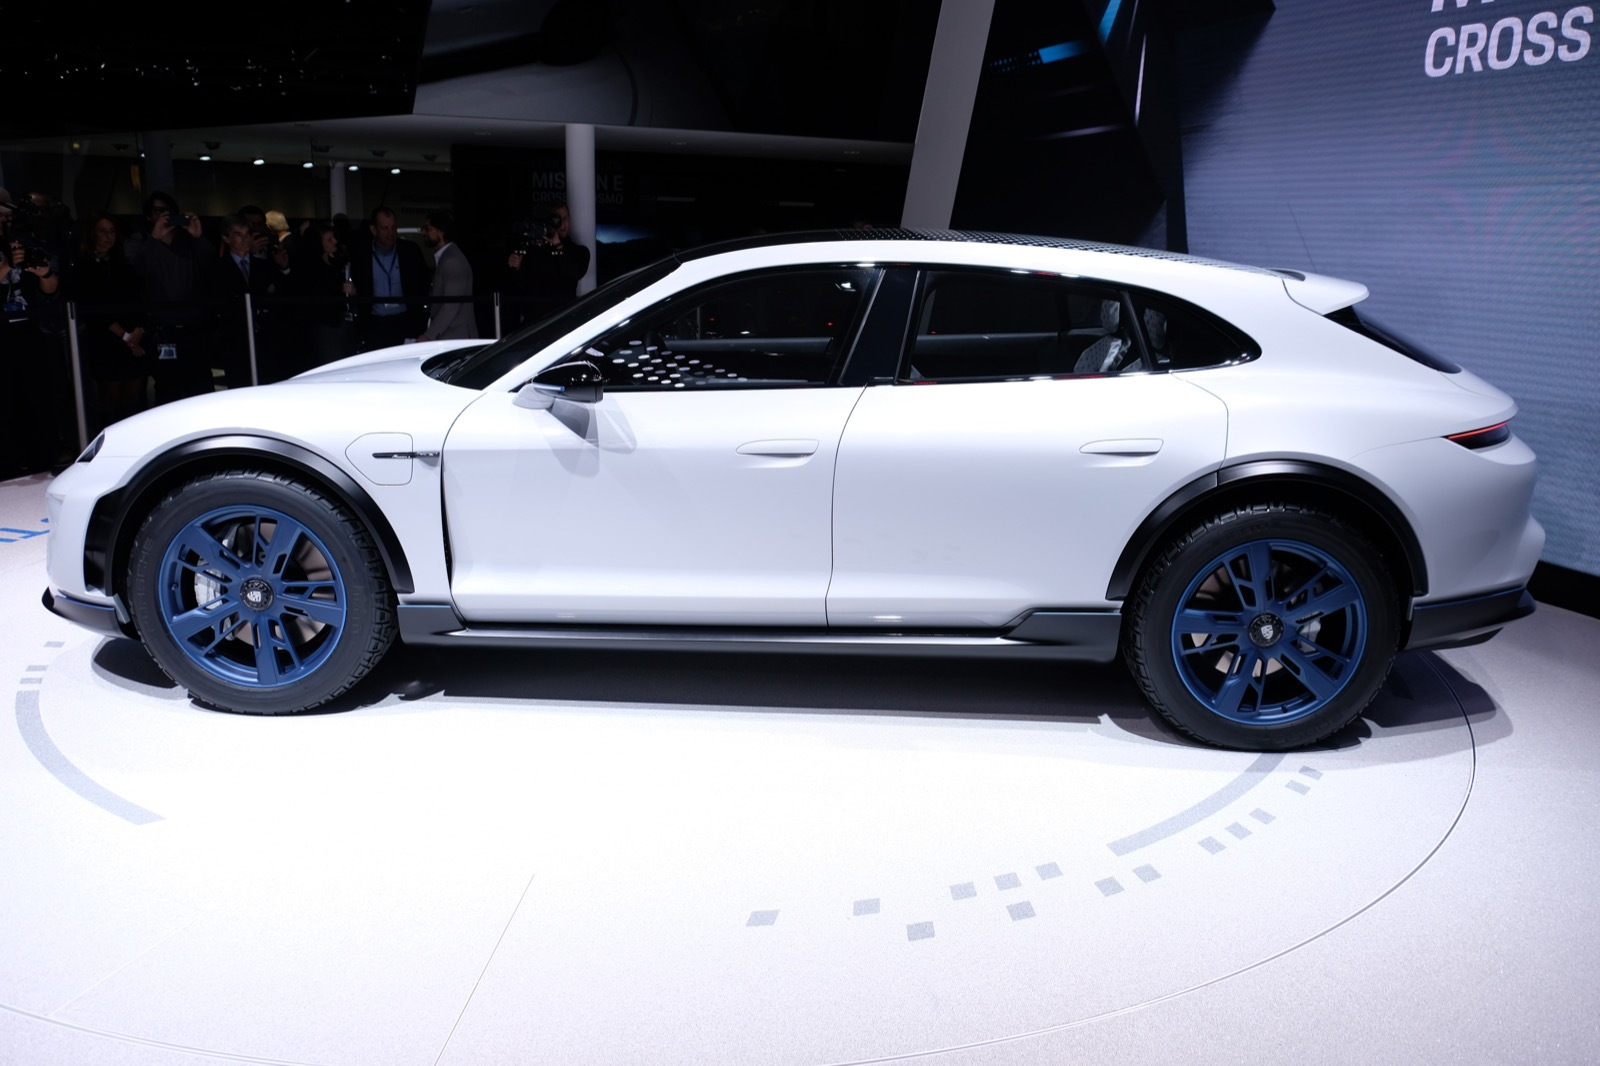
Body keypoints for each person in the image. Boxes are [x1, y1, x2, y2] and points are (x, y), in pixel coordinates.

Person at [124, 192, 216, 404]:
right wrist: (155, 238)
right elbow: (137, 271)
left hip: (194, 327)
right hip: (163, 329)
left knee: (201, 386)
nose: (164, 214)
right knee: (168, 388)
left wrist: (198, 236)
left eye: (169, 211)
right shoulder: (140, 241)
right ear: (148, 215)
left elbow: (212, 266)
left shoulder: (187, 240)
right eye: (159, 210)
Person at [0, 187, 67, 476]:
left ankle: (41, 457)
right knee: (6, 400)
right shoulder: (9, 250)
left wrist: (44, 273)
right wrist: (7, 265)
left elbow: (50, 289)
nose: (4, 219)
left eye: (6, 214)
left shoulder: (21, 241)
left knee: (37, 397)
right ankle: (8, 462)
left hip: (29, 329)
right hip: (2, 334)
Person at [70, 213, 148, 427]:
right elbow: (93, 307)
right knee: (110, 402)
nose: (108, 236)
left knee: (134, 401)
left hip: (134, 337)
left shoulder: (125, 263)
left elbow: (140, 299)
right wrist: (125, 337)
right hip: (106, 341)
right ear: (92, 234)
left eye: (112, 231)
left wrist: (138, 331)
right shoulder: (84, 265)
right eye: (103, 231)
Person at [212, 213, 288, 386]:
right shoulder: (218, 268)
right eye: (238, 235)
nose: (245, 239)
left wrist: (284, 268)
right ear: (226, 238)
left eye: (247, 234)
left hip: (265, 342)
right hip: (236, 342)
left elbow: (280, 294)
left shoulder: (264, 265)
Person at [347, 206, 428, 351]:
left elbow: (423, 282)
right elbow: (359, 284)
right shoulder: (361, 253)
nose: (391, 233)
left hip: (405, 322)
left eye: (393, 227)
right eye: (385, 228)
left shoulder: (410, 250)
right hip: (374, 324)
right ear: (374, 230)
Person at [503, 201, 590, 327]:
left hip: (564, 321)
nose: (563, 223)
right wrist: (516, 267)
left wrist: (557, 244)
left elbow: (576, 271)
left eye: (565, 218)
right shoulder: (534, 250)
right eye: (557, 219)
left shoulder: (578, 251)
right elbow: (522, 285)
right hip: (535, 323)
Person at [292, 221, 357, 367]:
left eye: (333, 238)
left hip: (340, 327)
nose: (335, 241)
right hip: (325, 330)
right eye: (329, 239)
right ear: (318, 244)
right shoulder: (309, 270)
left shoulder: (336, 264)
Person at [416, 210, 477, 341]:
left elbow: (450, 306)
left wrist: (428, 335)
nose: (423, 233)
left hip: (456, 337)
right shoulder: (448, 257)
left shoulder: (452, 261)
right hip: (452, 335)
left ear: (441, 231)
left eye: (428, 229)